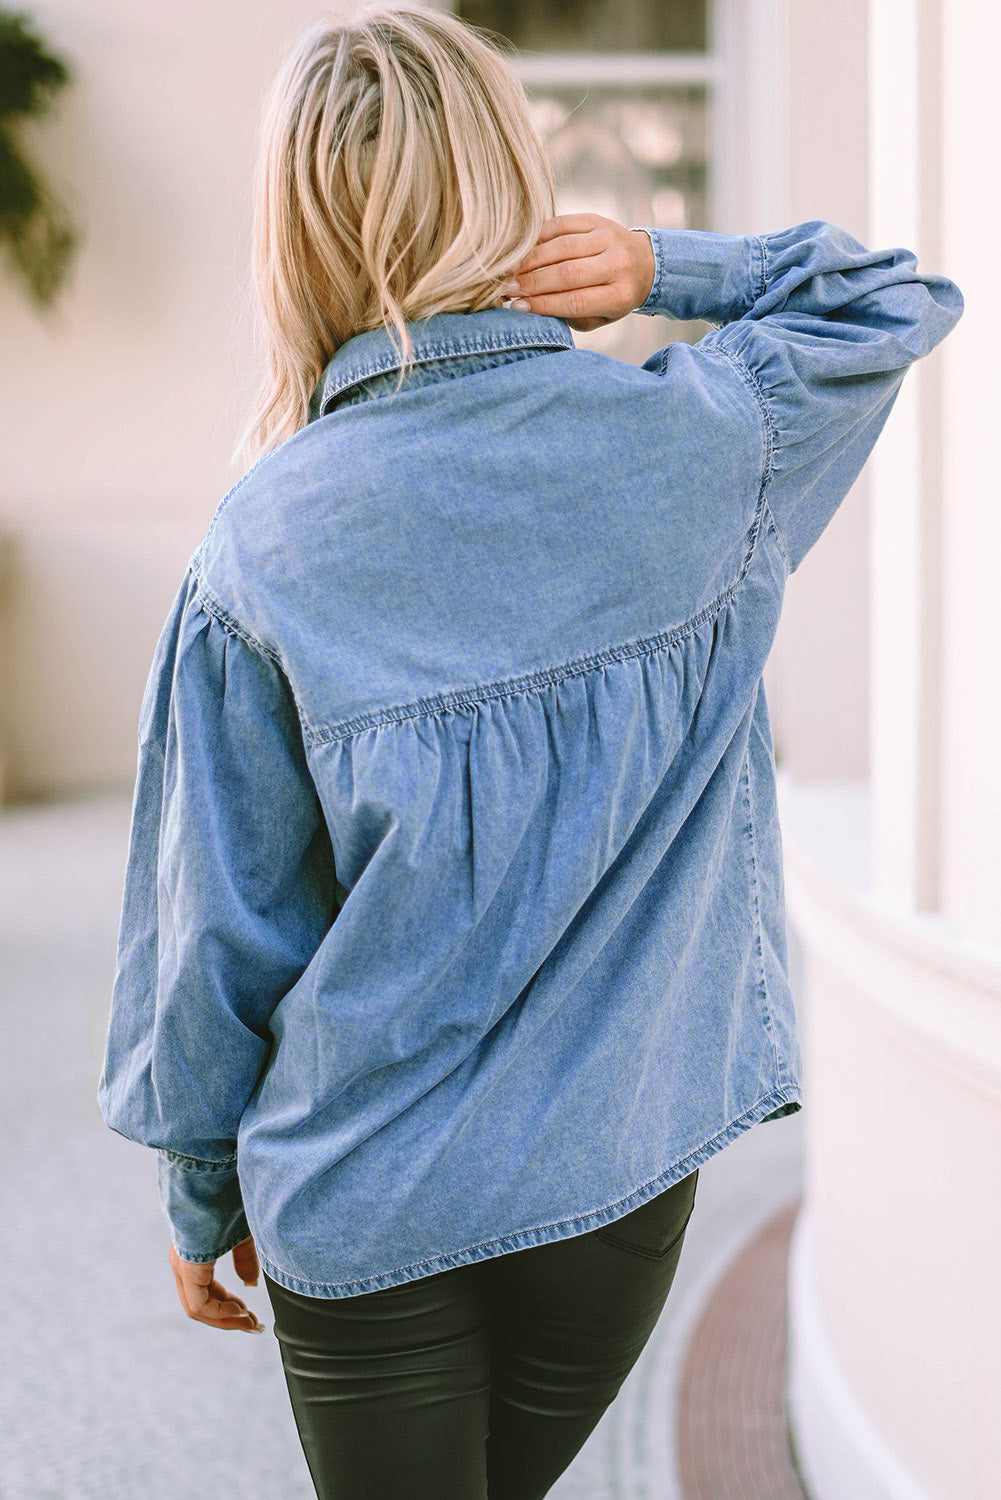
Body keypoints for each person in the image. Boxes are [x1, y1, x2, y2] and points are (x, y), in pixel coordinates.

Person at [95, 5, 964, 1497]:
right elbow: (889, 298)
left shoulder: (261, 547)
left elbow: (222, 940)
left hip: (361, 1207)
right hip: (612, 1179)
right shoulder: (705, 442)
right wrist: (664, 266)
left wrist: (196, 1197)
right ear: (511, 177)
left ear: (293, 227)